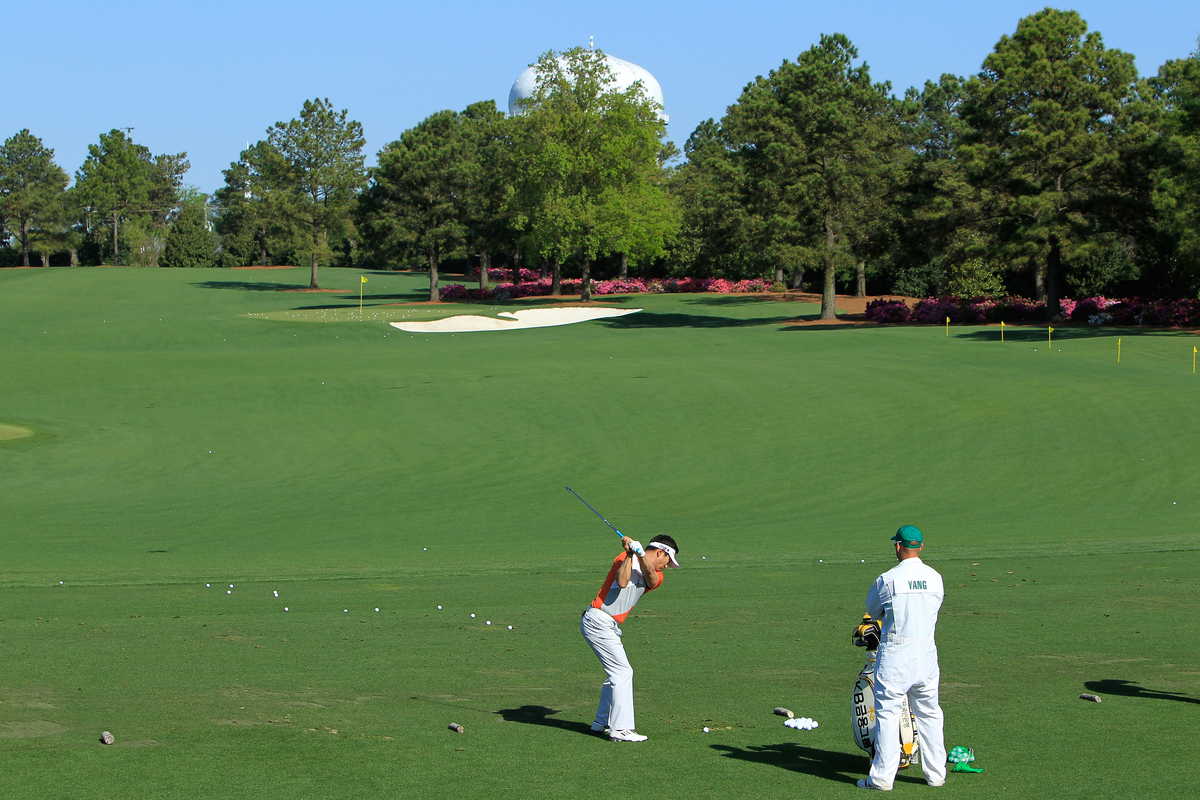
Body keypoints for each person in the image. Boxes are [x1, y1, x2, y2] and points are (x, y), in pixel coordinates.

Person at [858, 525, 947, 790]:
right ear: (920, 546)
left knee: (887, 714)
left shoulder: (887, 579)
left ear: (898, 546)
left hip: (897, 652)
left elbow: (873, 610)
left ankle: (883, 778)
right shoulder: (935, 577)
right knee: (930, 713)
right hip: (927, 652)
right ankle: (936, 775)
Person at [581, 533, 680, 742]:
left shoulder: (656, 575)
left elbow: (651, 578)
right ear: (661, 552)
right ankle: (621, 729)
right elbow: (622, 581)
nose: (666, 566)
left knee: (616, 674)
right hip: (597, 620)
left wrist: (641, 554)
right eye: (667, 561)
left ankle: (602, 722)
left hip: (608, 625)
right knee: (622, 672)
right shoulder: (623, 558)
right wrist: (629, 554)